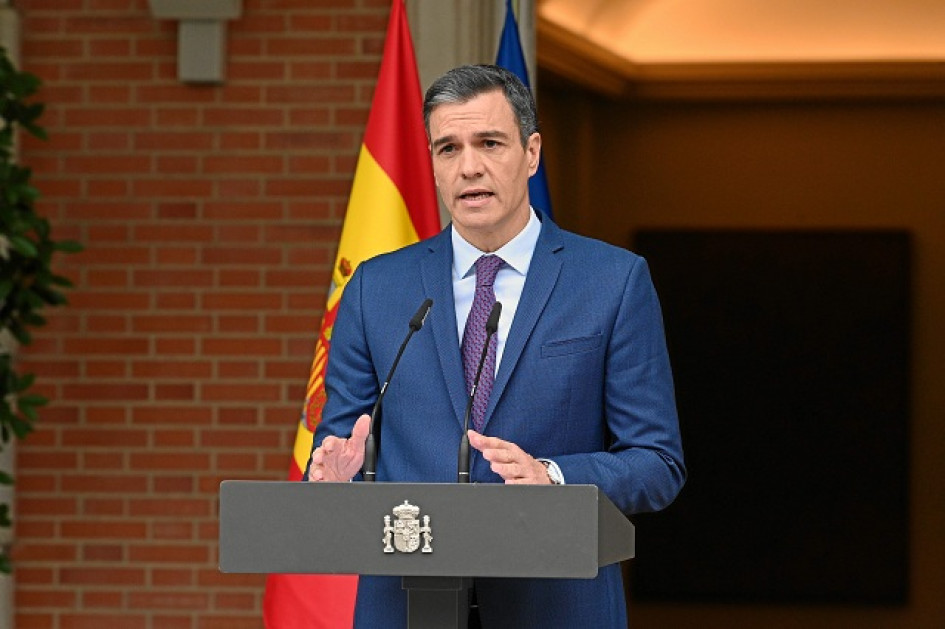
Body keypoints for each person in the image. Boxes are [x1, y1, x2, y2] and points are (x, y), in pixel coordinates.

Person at [305, 64, 685, 628]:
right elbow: (345, 438)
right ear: (433, 166)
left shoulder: (612, 280)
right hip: (407, 605)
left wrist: (553, 477)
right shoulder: (375, 287)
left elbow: (656, 463)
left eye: (489, 143)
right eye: (448, 148)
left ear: (531, 154)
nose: (470, 167)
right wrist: (336, 474)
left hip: (555, 605)